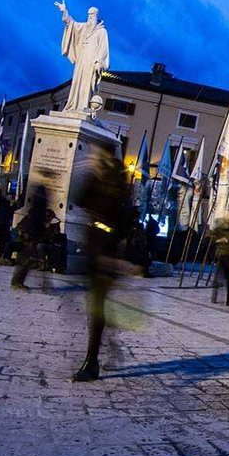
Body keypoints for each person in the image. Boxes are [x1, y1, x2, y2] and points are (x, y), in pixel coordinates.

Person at [71, 146, 132, 382]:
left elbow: (122, 220)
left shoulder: (117, 189)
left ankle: (92, 363)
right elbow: (79, 199)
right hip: (93, 250)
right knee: (97, 307)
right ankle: (110, 348)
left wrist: (115, 254)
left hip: (107, 253)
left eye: (99, 158)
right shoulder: (98, 182)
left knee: (96, 307)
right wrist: (90, 172)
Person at [10, 187, 50, 290]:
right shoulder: (37, 212)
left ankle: (17, 281)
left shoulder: (38, 211)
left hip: (32, 238)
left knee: (26, 260)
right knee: (26, 260)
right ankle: (17, 281)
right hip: (31, 238)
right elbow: (33, 225)